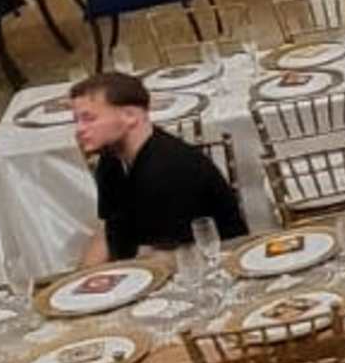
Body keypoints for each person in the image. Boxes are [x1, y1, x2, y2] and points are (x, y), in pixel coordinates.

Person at [69, 68, 249, 265]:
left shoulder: (169, 169)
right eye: (76, 120)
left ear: (130, 115)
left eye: (89, 119)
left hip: (206, 266)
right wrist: (81, 278)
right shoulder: (111, 159)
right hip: (145, 266)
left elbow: (167, 258)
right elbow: (108, 230)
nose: (79, 130)